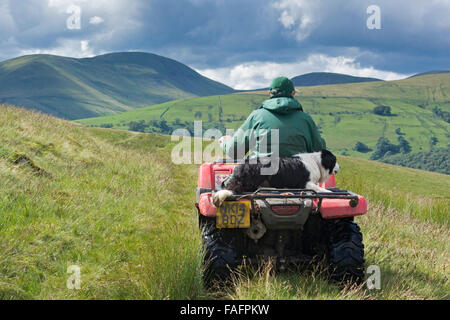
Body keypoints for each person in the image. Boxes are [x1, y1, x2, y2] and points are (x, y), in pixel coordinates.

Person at [219, 76, 326, 160]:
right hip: (298, 178)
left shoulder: (257, 116)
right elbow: (320, 151)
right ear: (293, 93)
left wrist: (224, 142)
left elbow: (235, 151)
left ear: (270, 93)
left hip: (262, 176)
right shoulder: (306, 119)